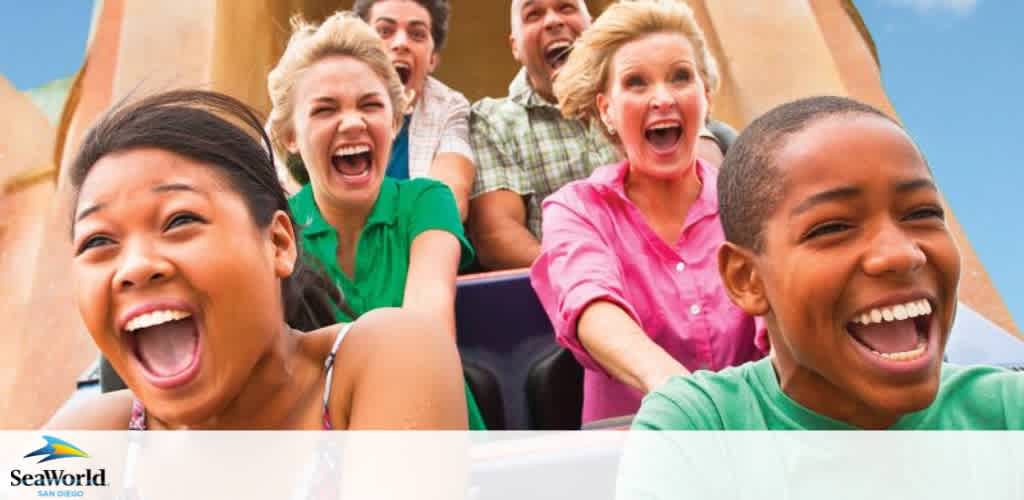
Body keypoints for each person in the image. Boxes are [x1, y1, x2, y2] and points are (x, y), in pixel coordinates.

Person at [45, 90, 467, 430]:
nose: (135, 266)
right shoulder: (83, 437)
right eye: (98, 241)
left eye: (180, 220)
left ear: (279, 243)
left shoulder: (389, 358)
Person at [633, 95, 1024, 430]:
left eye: (921, 213)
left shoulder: (1008, 410)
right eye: (833, 227)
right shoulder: (702, 425)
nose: (901, 254)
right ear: (747, 279)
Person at [530, 0, 764, 424]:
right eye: (636, 83)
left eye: (680, 77)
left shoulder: (754, 200)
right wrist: (685, 396)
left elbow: (782, 325)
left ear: (705, 97)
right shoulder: (576, 209)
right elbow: (590, 302)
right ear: (607, 110)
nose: (662, 98)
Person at [265, 12, 487, 429]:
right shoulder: (276, 231)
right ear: (290, 137)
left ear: (394, 120)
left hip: (431, 424)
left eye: (370, 105)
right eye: (325, 110)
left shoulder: (426, 202)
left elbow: (426, 338)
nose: (353, 122)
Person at [468, 0, 731, 270]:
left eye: (566, 8)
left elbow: (710, 194)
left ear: (591, 26)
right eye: (533, 14)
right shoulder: (493, 120)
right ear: (515, 45)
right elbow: (497, 236)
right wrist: (606, 273)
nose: (553, 22)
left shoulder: (665, 107)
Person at [350, 0, 475, 220]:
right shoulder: (315, 97)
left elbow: (447, 201)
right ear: (356, 46)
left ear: (432, 59)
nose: (401, 43)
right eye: (384, 31)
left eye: (417, 34)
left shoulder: (449, 107)